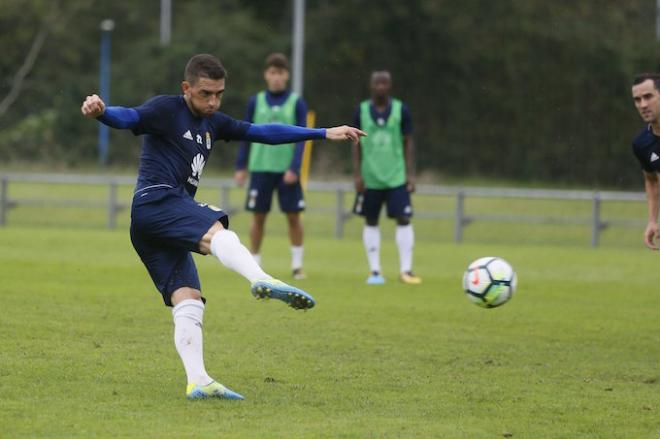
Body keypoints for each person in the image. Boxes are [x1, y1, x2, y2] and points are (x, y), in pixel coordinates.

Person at [80, 54, 365, 401]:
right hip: (158, 201)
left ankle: (198, 380)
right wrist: (103, 112)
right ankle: (261, 278)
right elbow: (130, 117)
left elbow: (263, 133)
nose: (213, 101)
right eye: (205, 94)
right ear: (187, 89)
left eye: (219, 94)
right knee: (219, 231)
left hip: (152, 225)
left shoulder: (214, 122)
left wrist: (322, 132)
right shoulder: (167, 109)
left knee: (189, 300)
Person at [234, 53, 308, 279]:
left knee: (294, 216)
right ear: (266, 75)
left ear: (287, 75)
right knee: (258, 216)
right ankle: (255, 264)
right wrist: (241, 166)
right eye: (272, 73)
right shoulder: (256, 101)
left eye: (281, 73)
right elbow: (245, 133)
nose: (276, 77)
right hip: (260, 167)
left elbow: (302, 137)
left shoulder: (297, 102)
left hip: (286, 171)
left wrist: (294, 168)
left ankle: (297, 265)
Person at [351, 70, 422, 285]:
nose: (381, 86)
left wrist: (410, 174)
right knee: (371, 220)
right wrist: (357, 174)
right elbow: (355, 145)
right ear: (371, 86)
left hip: (396, 177)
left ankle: (406, 270)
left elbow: (408, 142)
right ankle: (375, 271)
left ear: (390, 86)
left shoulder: (401, 109)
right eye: (377, 83)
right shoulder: (361, 110)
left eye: (385, 83)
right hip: (370, 177)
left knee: (404, 218)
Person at [631, 72, 660, 251]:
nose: (643, 104)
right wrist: (652, 220)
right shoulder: (642, 143)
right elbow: (652, 180)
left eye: (648, 96)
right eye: (637, 99)